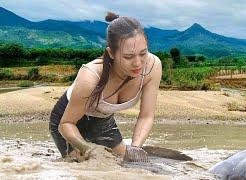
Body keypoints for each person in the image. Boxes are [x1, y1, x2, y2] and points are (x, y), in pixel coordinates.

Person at [49, 12, 162, 162]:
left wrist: (135, 148)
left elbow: (146, 116)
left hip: (103, 121)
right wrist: (90, 149)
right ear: (111, 53)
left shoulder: (153, 66)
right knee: (84, 169)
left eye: (143, 53)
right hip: (69, 122)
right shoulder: (90, 77)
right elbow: (66, 124)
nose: (138, 63)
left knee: (127, 163)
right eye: (128, 56)